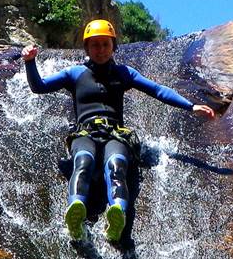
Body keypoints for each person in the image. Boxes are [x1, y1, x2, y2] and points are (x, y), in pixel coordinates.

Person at [21, 19, 215, 243]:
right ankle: (76, 211)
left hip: (116, 133)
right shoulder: (74, 74)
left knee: (116, 166)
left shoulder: (124, 73)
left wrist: (191, 106)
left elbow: (158, 90)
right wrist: (30, 62)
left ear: (113, 46)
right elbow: (39, 86)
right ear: (87, 48)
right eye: (95, 45)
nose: (101, 49)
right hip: (85, 133)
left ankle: (117, 214)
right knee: (84, 161)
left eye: (105, 44)